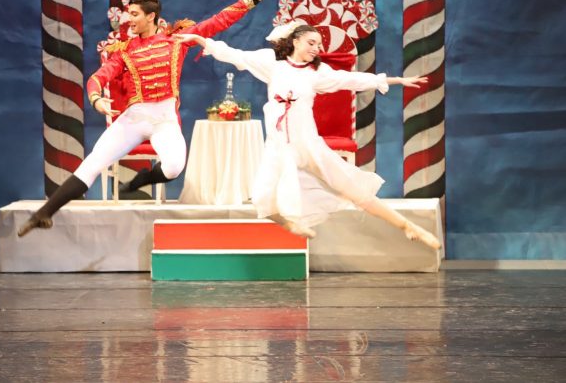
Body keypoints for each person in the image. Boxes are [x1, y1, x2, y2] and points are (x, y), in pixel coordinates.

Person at [18, 0, 282, 237]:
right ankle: (44, 214)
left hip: (164, 121)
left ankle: (142, 179)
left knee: (174, 167)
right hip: (134, 120)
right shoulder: (125, 50)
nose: (129, 19)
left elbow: (219, 21)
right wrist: (96, 98)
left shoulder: (176, 40)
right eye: (128, 14)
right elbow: (98, 77)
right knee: (93, 163)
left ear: (151, 16)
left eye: (134, 14)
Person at [174, 24, 441, 250]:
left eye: (319, 45)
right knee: (262, 199)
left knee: (354, 190)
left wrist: (395, 81)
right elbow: (235, 54)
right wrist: (200, 39)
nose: (316, 48)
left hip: (309, 145)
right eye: (311, 42)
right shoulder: (272, 64)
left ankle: (408, 226)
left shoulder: (318, 73)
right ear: (295, 41)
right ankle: (291, 225)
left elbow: (352, 79)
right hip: (279, 147)